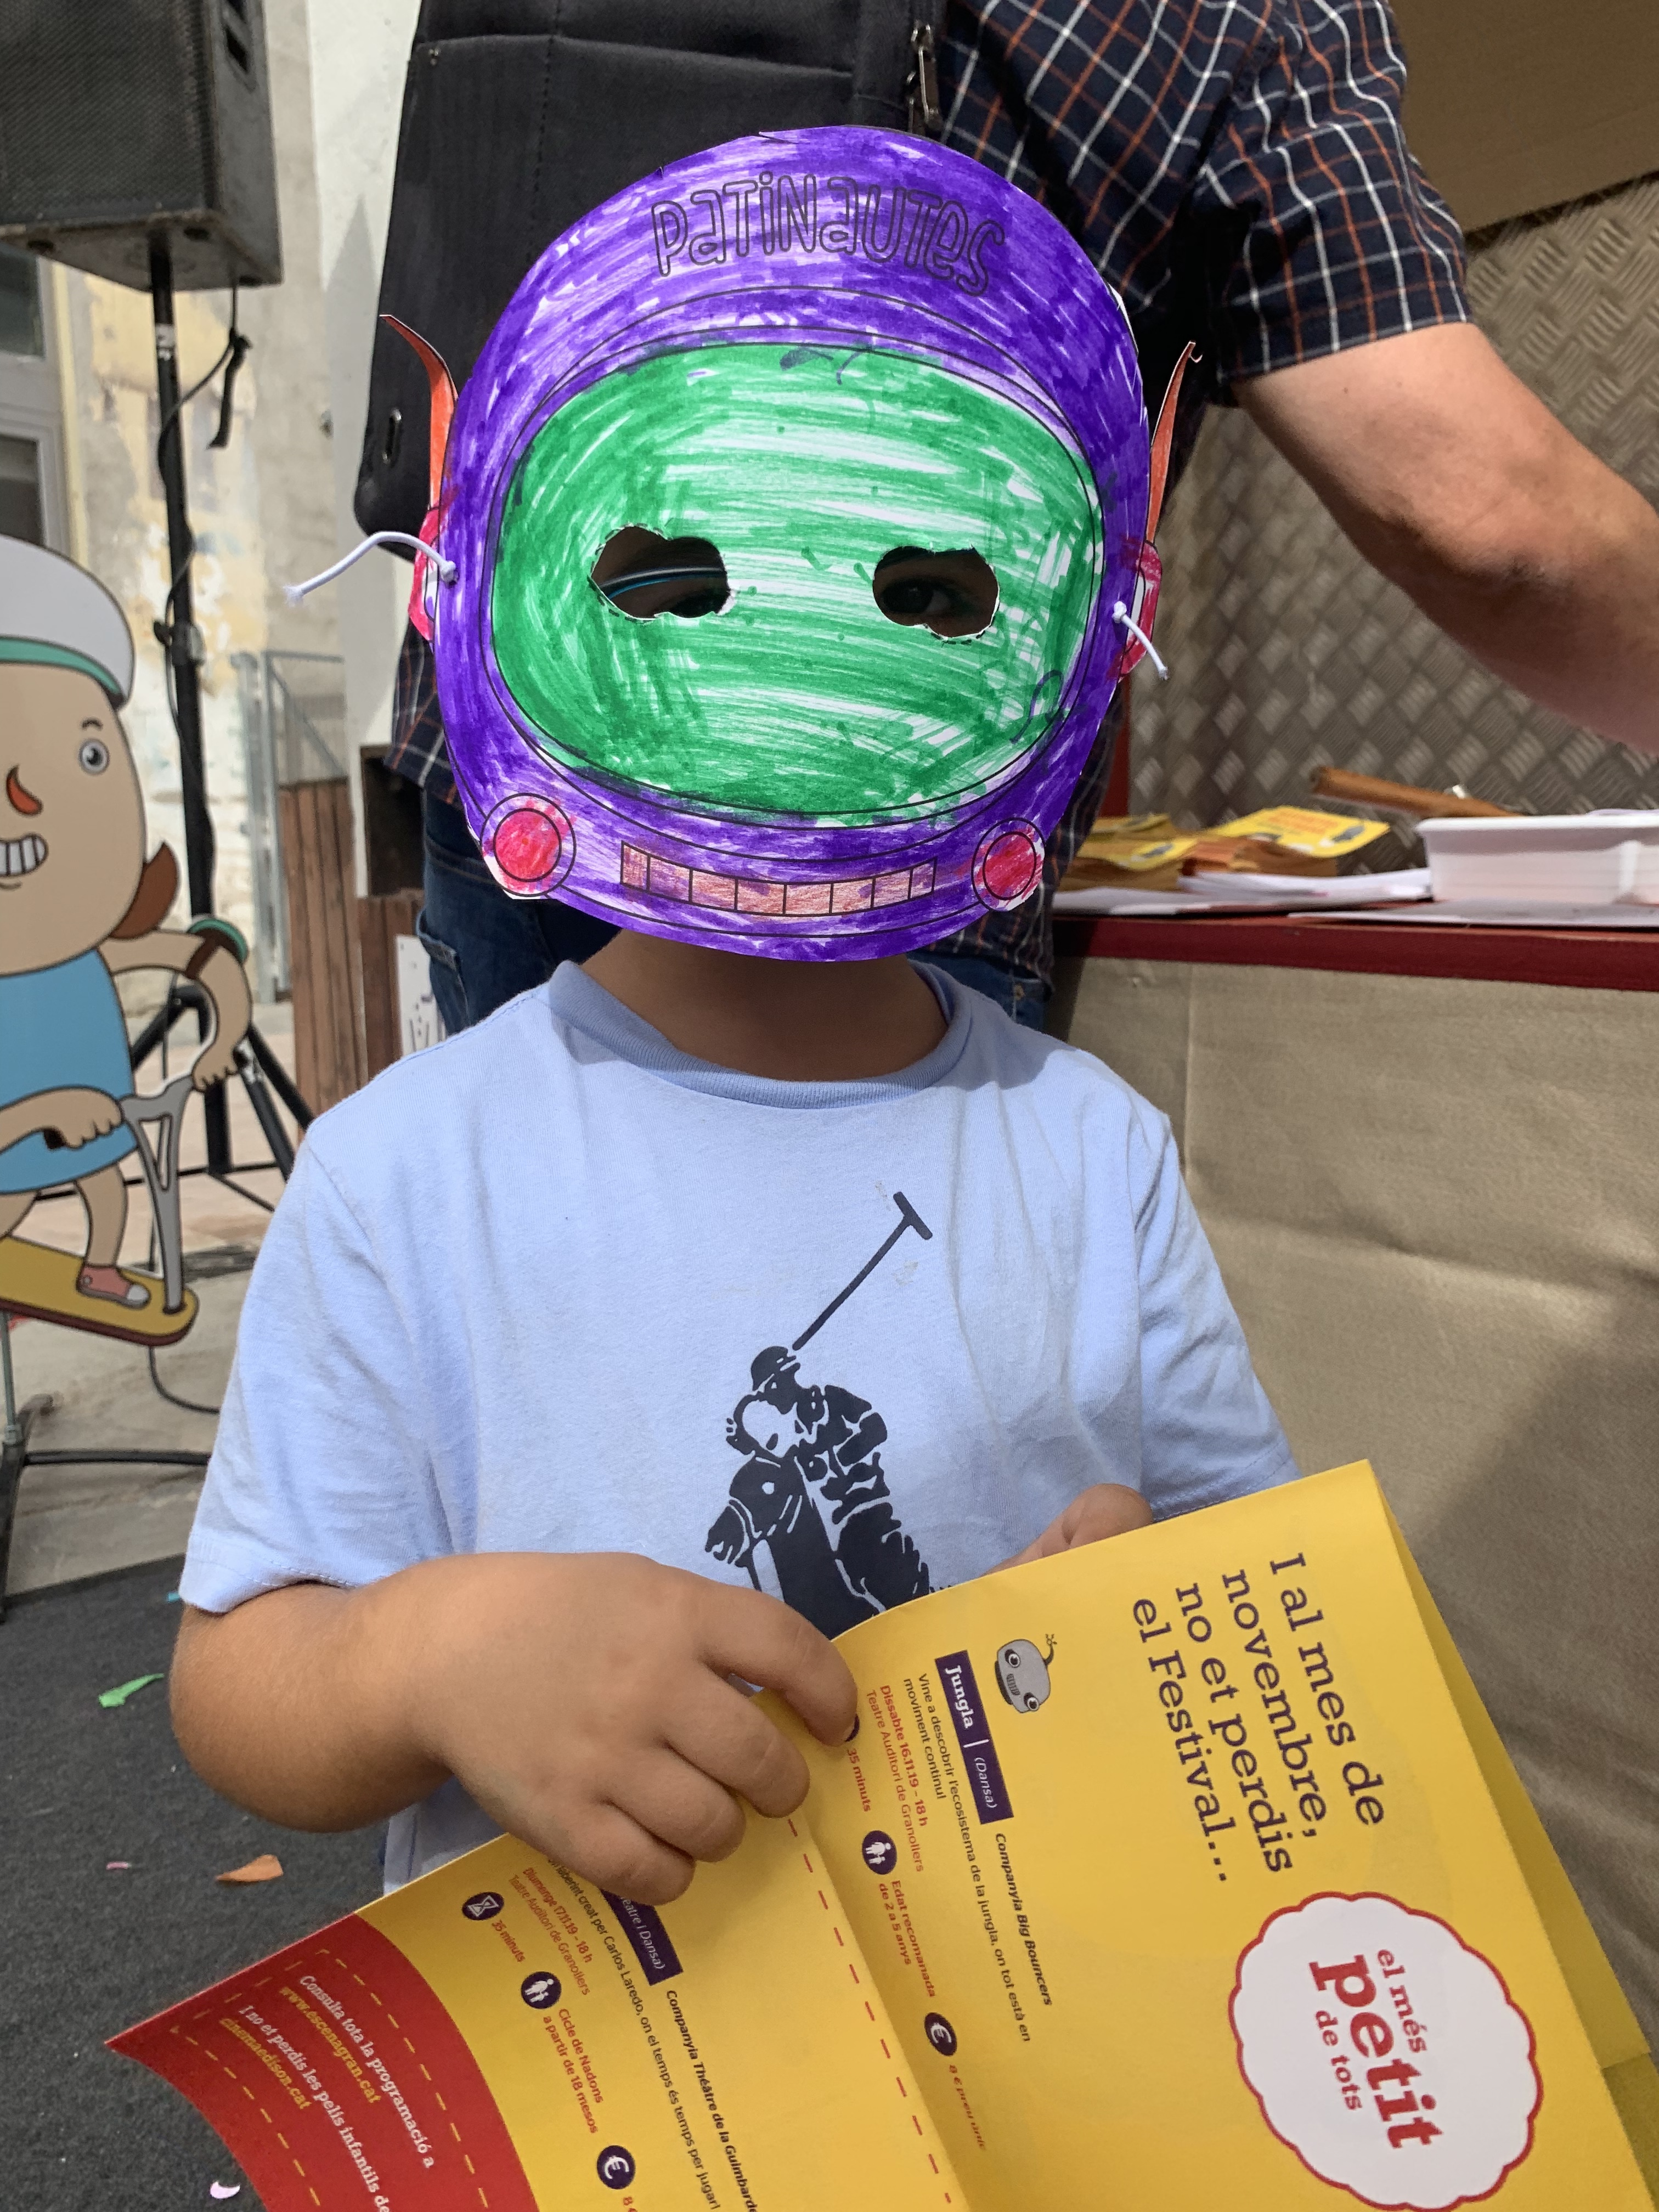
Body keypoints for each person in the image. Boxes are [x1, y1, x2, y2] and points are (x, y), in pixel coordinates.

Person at [171, 133, 1299, 1908]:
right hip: (588, 2045)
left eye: (932, 597)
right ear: (512, 588)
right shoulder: (407, 1173)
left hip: (1014, 1983)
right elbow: (241, 1676)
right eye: (674, 575)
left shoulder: (1092, 1151)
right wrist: (433, 1655)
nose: (805, 670)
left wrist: (1159, 1597)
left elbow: (1263, 1576)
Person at [370, 0, 1659, 1034]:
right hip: (911, 857)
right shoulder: (1239, 20)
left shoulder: (384, 1181)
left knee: (519, 1254)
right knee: (924, 1269)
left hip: (531, 802)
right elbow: (1479, 513)